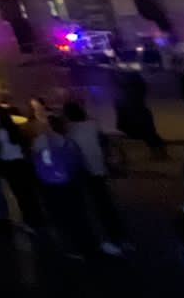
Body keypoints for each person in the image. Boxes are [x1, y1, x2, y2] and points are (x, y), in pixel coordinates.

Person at [64, 101, 126, 253]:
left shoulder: (70, 130)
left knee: (92, 207)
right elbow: (103, 143)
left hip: (85, 171)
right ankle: (119, 237)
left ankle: (105, 241)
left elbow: (70, 151)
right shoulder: (92, 125)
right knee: (106, 204)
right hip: (99, 168)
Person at [32, 114, 95, 258]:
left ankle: (71, 246)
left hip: (50, 183)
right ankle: (86, 244)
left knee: (60, 216)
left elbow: (36, 158)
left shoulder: (41, 140)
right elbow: (78, 160)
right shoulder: (68, 140)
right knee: (77, 214)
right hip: (70, 182)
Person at [0, 106, 41, 232]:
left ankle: (28, 221)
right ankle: (37, 218)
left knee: (19, 194)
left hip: (10, 166)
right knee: (28, 192)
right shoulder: (16, 129)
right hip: (21, 163)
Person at [114, 68, 166, 157]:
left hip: (136, 114)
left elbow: (123, 90)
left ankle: (158, 151)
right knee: (149, 133)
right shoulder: (135, 87)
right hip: (138, 113)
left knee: (147, 133)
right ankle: (158, 150)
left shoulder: (131, 88)